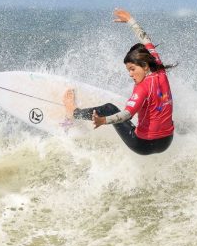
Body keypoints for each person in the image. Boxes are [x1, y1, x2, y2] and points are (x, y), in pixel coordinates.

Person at [63, 8, 175, 155]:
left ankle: (74, 113)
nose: (130, 74)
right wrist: (131, 21)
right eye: (128, 70)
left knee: (110, 108)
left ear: (145, 66)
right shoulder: (159, 69)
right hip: (166, 142)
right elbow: (147, 42)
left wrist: (103, 121)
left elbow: (127, 114)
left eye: (132, 69)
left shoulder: (142, 88)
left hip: (142, 145)